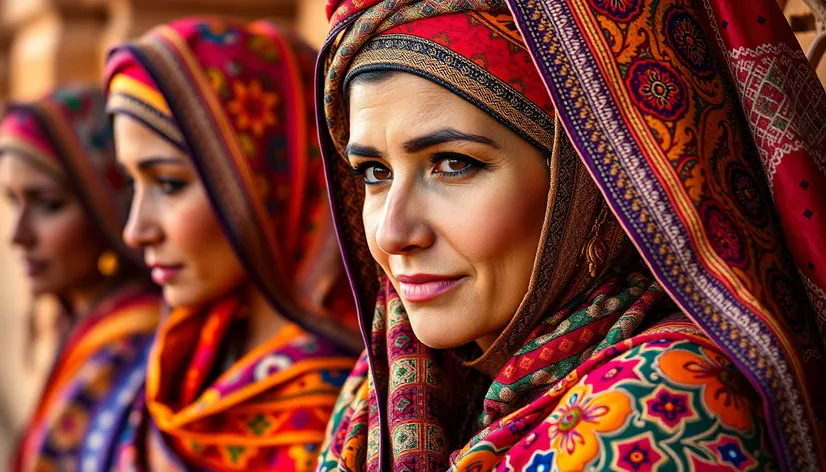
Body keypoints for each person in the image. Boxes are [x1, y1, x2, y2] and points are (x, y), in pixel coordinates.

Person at [315, 0, 826, 470]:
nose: (391, 233)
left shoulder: (660, 405)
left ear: (586, 186)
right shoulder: (384, 387)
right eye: (374, 173)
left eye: (453, 164)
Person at [84, 17, 362, 471]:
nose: (136, 230)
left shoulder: (337, 409)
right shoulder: (188, 353)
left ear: (263, 185)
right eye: (133, 183)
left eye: (169, 184)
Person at [0, 85, 161, 472]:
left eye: (49, 205)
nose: (17, 234)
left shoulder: (133, 344)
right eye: (12, 201)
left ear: (104, 209)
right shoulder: (84, 322)